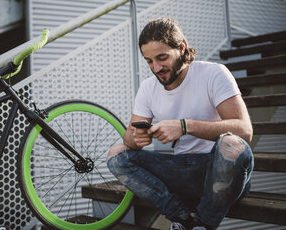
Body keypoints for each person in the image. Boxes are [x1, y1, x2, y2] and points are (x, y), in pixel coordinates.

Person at [106, 18, 254, 230]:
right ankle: (181, 218)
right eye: (149, 61)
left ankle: (204, 223)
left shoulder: (213, 74)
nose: (156, 68)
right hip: (181, 171)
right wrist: (137, 139)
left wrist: (184, 126)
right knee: (116, 154)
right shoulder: (148, 88)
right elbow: (129, 137)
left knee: (232, 144)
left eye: (162, 57)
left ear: (181, 48)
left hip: (221, 173)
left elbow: (245, 131)